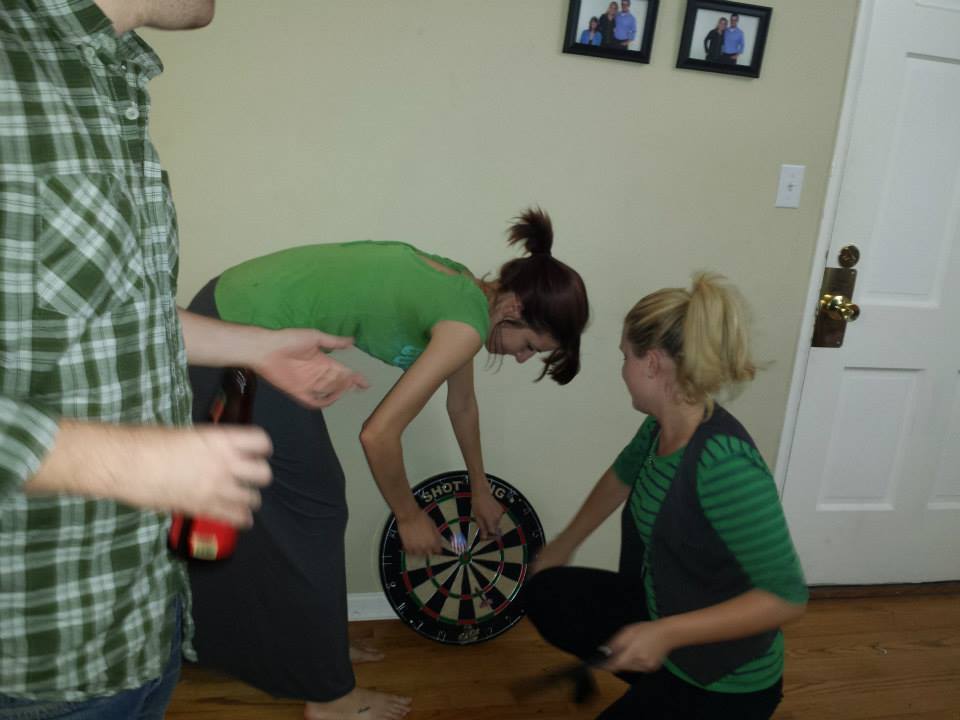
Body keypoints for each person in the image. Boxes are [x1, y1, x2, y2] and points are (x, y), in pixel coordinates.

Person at [0, 1, 366, 718]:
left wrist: (256, 348)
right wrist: (125, 463)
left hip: (140, 612)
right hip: (36, 644)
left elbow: (106, 315)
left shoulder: (102, 74)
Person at [185, 209, 590, 720]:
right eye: (529, 344)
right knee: (314, 511)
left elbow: (462, 405)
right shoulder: (466, 324)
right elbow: (377, 435)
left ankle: (314, 649)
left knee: (301, 506)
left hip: (235, 313)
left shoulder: (468, 295)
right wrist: (408, 515)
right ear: (513, 306)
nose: (523, 358)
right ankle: (330, 698)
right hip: (235, 333)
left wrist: (480, 487)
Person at [525, 273, 807, 719]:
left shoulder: (724, 465)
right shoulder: (662, 425)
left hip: (724, 681)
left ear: (652, 363)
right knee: (548, 594)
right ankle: (651, 669)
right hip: (665, 609)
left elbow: (786, 596)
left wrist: (665, 634)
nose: (622, 369)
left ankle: (665, 682)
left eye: (625, 357)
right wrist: (565, 542)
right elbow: (620, 476)